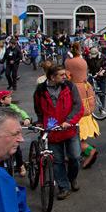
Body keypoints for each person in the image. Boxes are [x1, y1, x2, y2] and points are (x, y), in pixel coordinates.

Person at [32, 64, 83, 200]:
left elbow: (78, 106)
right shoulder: (40, 91)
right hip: (52, 130)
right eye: (61, 75)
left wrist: (69, 121)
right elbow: (38, 108)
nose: (65, 77)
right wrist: (40, 122)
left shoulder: (70, 87)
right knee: (57, 161)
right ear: (52, 77)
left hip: (69, 129)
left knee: (75, 157)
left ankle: (72, 178)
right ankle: (64, 187)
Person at [65, 45, 100, 169]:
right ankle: (75, 155)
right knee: (78, 139)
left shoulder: (72, 87)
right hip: (86, 115)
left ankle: (89, 151)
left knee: (75, 140)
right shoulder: (86, 85)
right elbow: (92, 101)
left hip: (76, 117)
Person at [0, 91, 31, 177]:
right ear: (2, 100)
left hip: (11, 132)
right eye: (8, 97)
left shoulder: (12, 107)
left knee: (17, 149)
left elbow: (21, 112)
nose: (11, 98)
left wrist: (26, 118)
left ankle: (20, 165)